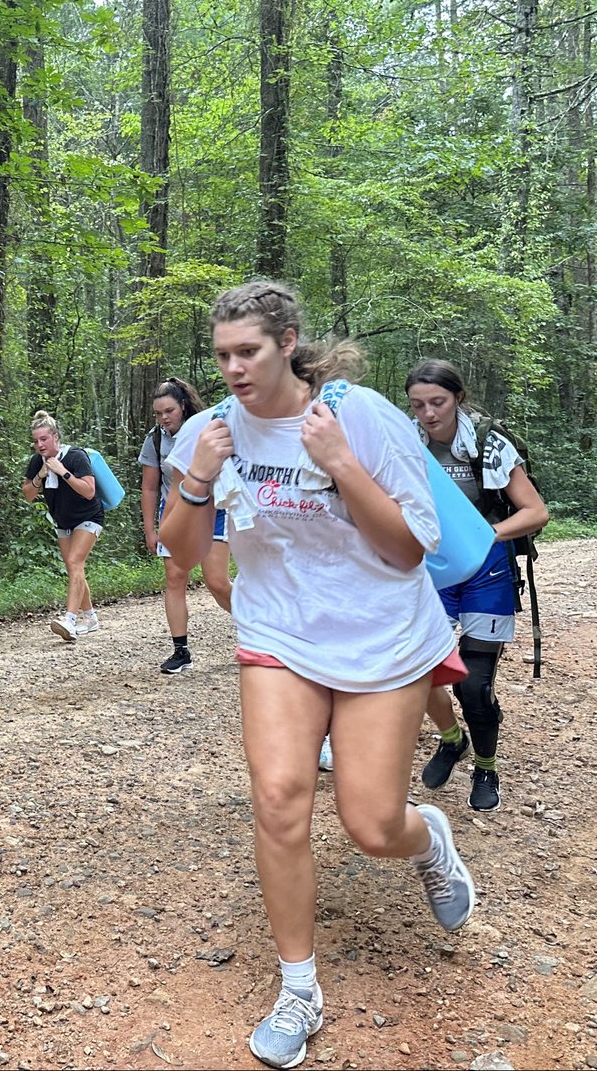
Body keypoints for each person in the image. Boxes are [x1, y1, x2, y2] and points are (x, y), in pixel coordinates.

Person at [160, 281, 475, 1070]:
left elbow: (410, 549)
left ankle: (426, 838)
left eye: (248, 352)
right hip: (280, 632)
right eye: (221, 355)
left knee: (372, 827)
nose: (232, 369)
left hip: (381, 637)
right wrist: (197, 478)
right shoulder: (210, 429)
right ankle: (297, 987)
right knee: (277, 798)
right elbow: (179, 548)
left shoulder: (355, 415)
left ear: (286, 341)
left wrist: (338, 465)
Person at [406, 359, 549, 812]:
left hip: (487, 568)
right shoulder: (406, 443)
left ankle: (486, 766)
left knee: (474, 684)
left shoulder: (487, 445)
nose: (428, 413)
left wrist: (485, 535)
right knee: (418, 670)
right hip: (432, 570)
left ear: (458, 399)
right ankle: (452, 740)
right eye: (418, 404)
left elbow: (534, 511)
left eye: (438, 402)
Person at [138, 377, 233, 673]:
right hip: (176, 509)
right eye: (158, 413)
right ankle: (181, 651)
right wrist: (150, 529)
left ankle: (260, 631)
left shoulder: (208, 427)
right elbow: (150, 488)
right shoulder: (155, 440)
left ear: (182, 406)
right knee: (175, 578)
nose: (163, 418)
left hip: (213, 508)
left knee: (216, 581)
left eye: (168, 411)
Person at [22, 410, 104, 642]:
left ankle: (70, 619)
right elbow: (27, 494)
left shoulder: (76, 456)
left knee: (75, 562)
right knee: (73, 569)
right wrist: (40, 475)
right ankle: (90, 617)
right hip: (63, 521)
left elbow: (89, 491)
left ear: (55, 437)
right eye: (36, 441)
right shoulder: (37, 461)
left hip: (89, 517)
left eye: (44, 439)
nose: (40, 445)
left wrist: (63, 472)